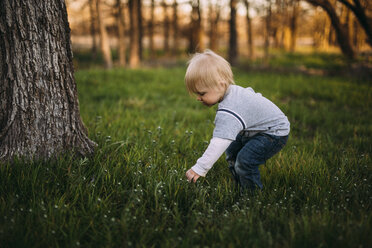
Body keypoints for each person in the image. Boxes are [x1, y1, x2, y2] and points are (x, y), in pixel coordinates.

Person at [184, 50, 290, 192]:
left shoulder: (229, 111)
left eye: (202, 93)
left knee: (245, 161)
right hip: (256, 130)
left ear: (221, 85)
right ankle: (239, 184)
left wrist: (200, 168)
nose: (198, 98)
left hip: (273, 133)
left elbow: (219, 142)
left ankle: (251, 196)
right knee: (232, 152)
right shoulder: (232, 92)